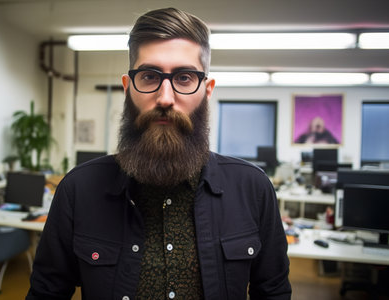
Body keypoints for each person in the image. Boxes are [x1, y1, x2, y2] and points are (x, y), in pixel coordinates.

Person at [27, 7, 291, 300]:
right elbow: (46, 293)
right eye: (150, 76)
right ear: (128, 88)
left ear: (207, 90)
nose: (165, 98)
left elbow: (273, 291)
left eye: (185, 78)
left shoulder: (253, 189)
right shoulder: (78, 190)